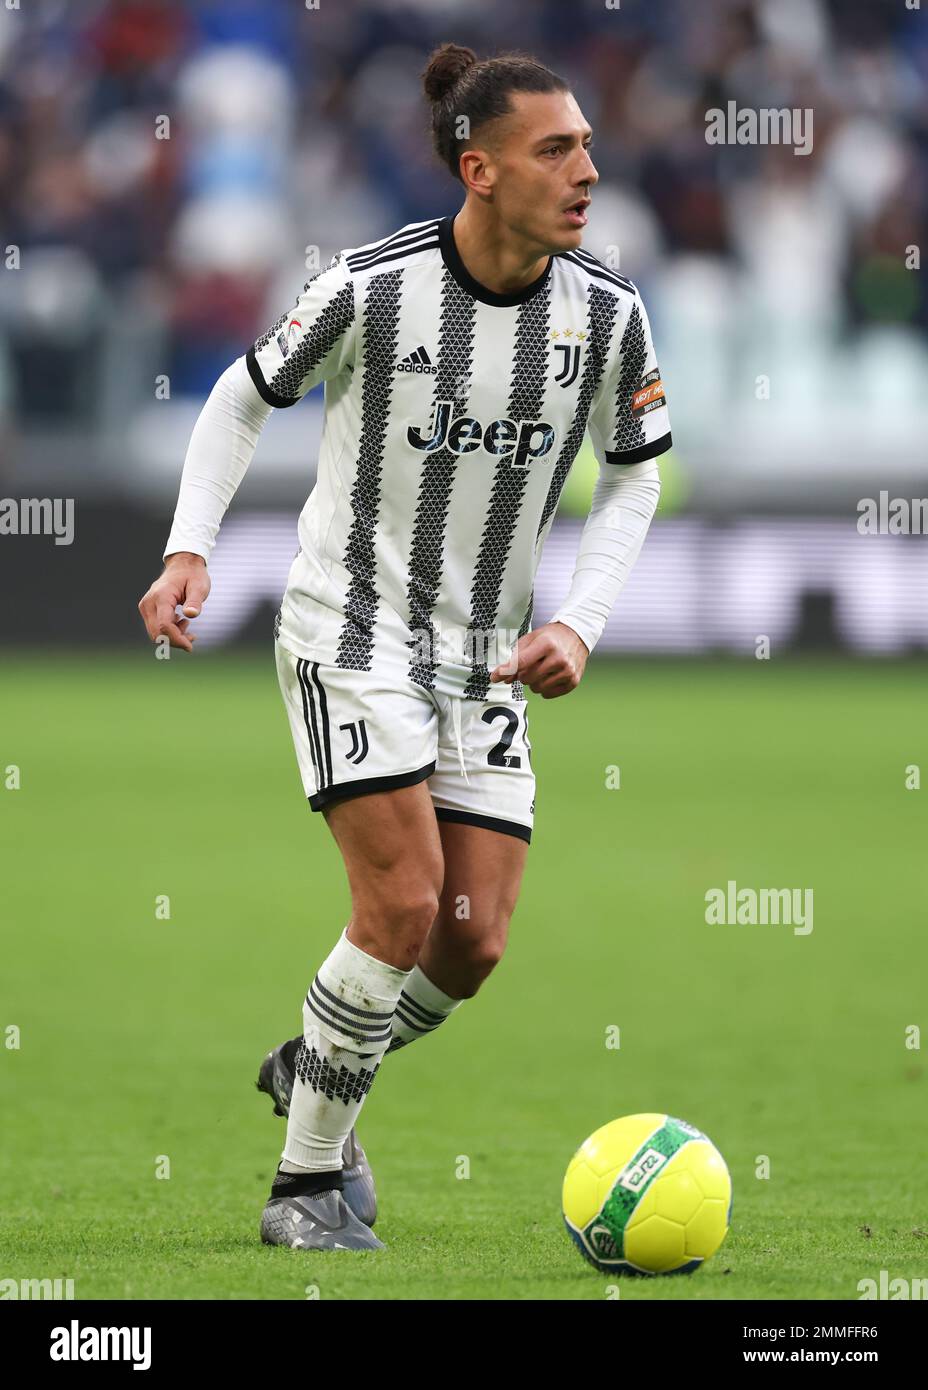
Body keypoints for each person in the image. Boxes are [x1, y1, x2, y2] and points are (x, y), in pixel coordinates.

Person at [137, 42, 671, 1251]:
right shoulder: (370, 287)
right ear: (478, 170)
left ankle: (316, 1055)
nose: (588, 166)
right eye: (557, 149)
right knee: (400, 900)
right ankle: (304, 1187)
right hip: (351, 631)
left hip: (485, 654)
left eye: (586, 142)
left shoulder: (607, 314)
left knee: (470, 941)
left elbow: (635, 477)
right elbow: (243, 394)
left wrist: (576, 622)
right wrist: (188, 548)